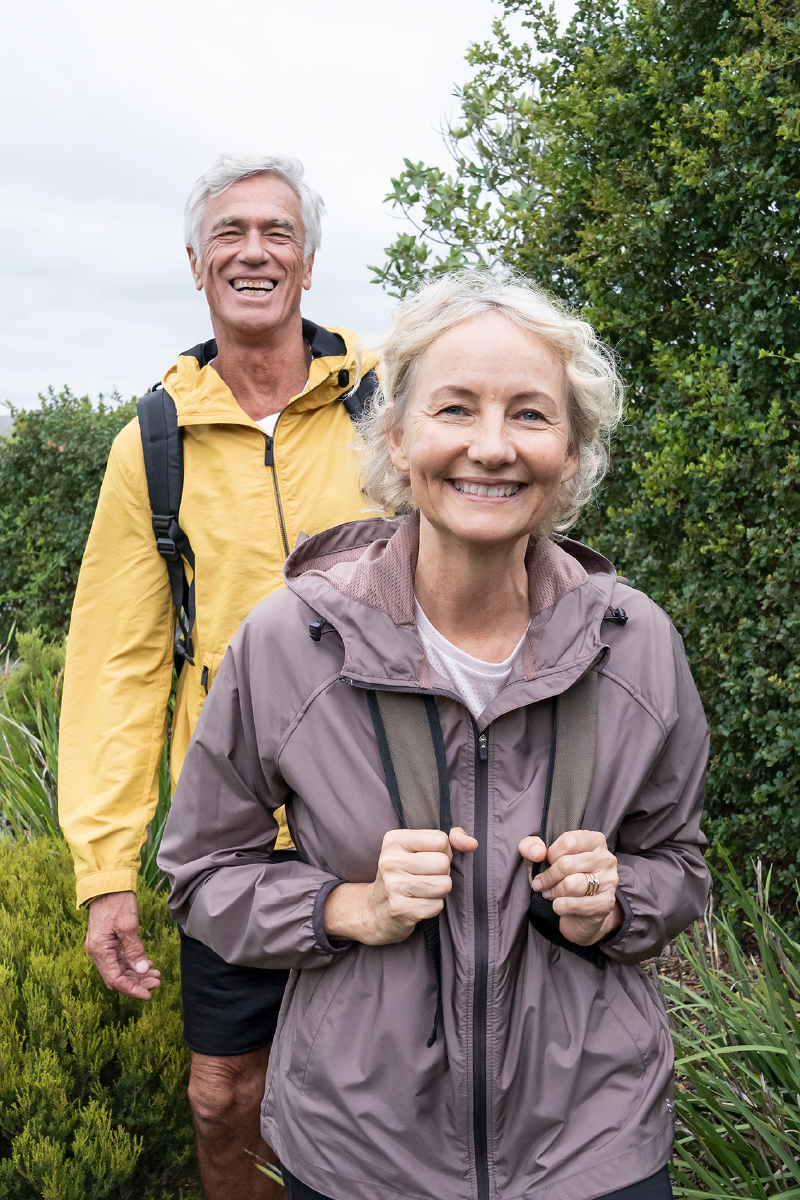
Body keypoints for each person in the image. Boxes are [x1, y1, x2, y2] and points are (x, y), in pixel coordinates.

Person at [158, 270, 711, 1200]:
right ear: (399, 434)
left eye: (531, 415)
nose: (491, 448)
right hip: (361, 1146)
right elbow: (202, 871)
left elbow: (682, 863)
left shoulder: (638, 644)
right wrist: (347, 909)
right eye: (456, 408)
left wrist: (615, 902)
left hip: (595, 1146)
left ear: (570, 452)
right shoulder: (293, 641)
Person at [59, 152, 378, 1200]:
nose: (254, 251)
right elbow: (118, 661)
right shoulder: (149, 443)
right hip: (236, 836)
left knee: (398, 1087)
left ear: (309, 261)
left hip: (397, 816)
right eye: (231, 234)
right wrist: (106, 864)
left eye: (277, 232)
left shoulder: (394, 409)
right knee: (224, 1096)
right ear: (196, 264)